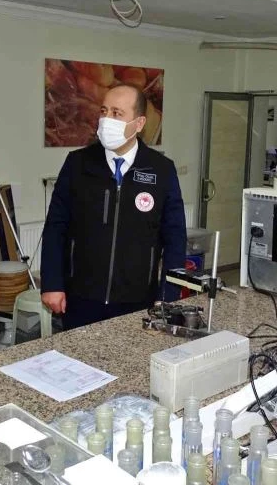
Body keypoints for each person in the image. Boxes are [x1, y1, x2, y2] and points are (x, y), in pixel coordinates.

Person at [41, 84, 187, 329]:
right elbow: (56, 227)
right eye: (104, 111)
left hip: (138, 300)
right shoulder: (78, 164)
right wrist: (52, 284)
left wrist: (168, 296)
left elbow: (175, 238)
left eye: (117, 113)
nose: (106, 119)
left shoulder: (161, 170)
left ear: (139, 124)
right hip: (81, 298)